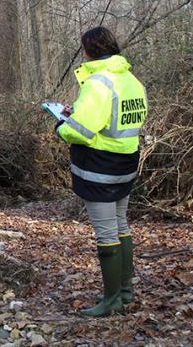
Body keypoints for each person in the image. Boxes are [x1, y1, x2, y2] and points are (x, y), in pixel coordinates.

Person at [56, 26, 147, 317]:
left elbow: (81, 130)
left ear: (89, 51)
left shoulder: (98, 82)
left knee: (106, 232)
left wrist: (62, 125)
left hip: (100, 169)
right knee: (120, 225)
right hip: (126, 164)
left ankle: (111, 301)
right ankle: (125, 293)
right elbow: (119, 120)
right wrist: (79, 113)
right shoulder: (131, 80)